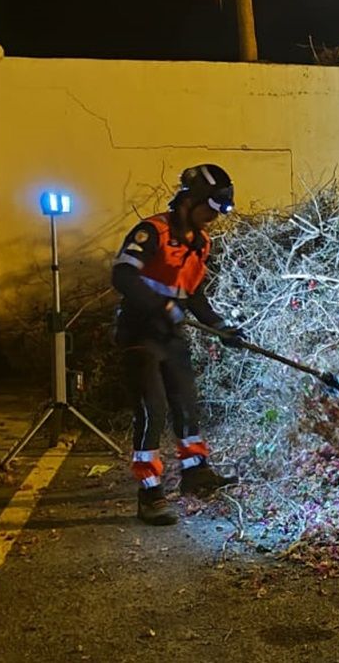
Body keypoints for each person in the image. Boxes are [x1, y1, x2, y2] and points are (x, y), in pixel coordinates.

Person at [111, 164, 244, 526]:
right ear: (190, 201)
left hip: (171, 335)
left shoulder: (200, 242)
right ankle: (150, 493)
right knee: (152, 409)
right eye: (211, 209)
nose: (214, 219)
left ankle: (195, 472)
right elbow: (122, 275)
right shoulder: (152, 232)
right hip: (140, 334)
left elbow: (193, 293)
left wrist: (220, 326)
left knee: (186, 404)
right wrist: (162, 306)